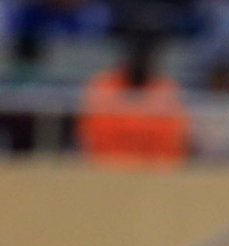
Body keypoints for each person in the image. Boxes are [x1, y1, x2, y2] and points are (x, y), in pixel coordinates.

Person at [77, 26, 188, 165]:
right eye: (136, 54)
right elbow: (89, 134)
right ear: (126, 58)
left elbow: (175, 137)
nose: (140, 60)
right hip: (107, 164)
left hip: (156, 169)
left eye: (145, 55)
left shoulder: (167, 89)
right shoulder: (103, 86)